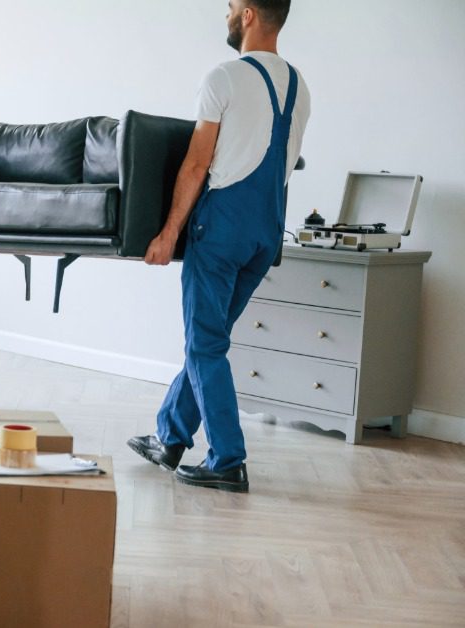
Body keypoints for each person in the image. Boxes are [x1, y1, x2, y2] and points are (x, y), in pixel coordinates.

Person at [127, 0, 310, 492]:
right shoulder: (300, 87)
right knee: (209, 341)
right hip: (265, 233)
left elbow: (196, 164)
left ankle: (228, 458)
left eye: (231, 6)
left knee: (204, 344)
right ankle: (170, 437)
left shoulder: (224, 77)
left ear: (248, 14)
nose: (226, 14)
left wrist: (168, 233)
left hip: (222, 230)